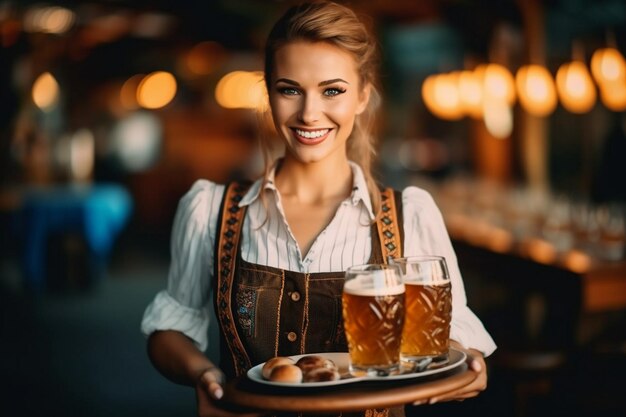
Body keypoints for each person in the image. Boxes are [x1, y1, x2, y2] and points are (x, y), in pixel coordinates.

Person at [141, 2, 497, 416]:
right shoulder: (211, 210)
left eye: (332, 90)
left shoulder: (410, 216)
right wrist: (204, 374)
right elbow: (169, 330)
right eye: (290, 89)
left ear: (363, 94)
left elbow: (453, 341)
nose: (310, 113)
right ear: (270, 94)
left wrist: (464, 364)